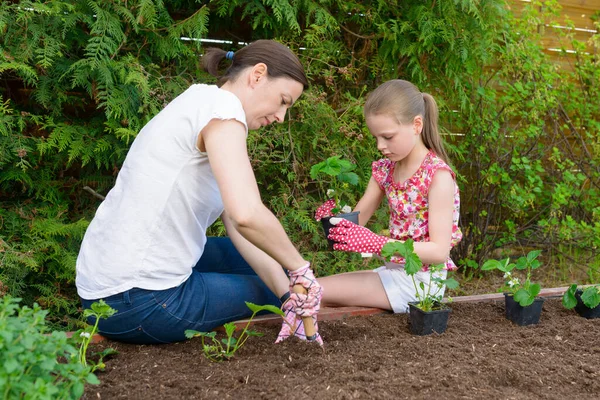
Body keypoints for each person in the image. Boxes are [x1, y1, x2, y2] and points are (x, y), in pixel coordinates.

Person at [76, 40, 322, 344]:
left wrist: (288, 290)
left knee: (278, 266)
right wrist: (300, 269)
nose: (281, 117)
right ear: (258, 75)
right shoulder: (224, 113)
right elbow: (247, 214)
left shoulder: (199, 100)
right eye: (283, 100)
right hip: (140, 302)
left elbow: (241, 226)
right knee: (269, 285)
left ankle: (292, 302)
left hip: (106, 290)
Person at [315, 79, 462, 313]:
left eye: (388, 137)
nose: (380, 145)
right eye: (376, 138)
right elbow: (356, 225)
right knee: (311, 291)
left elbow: (439, 252)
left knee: (313, 291)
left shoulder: (437, 176)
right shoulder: (385, 169)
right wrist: (332, 223)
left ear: (416, 125)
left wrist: (378, 243)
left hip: (420, 284)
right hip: (392, 273)